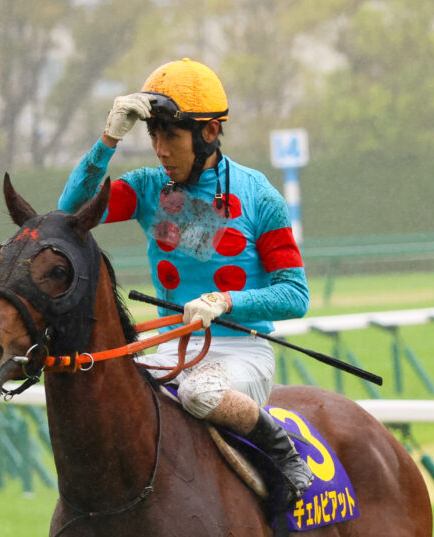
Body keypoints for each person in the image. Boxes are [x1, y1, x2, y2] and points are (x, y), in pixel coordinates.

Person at [58, 58, 314, 508]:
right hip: (170, 350)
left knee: (200, 391)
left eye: (169, 136)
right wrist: (109, 139)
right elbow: (69, 214)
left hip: (241, 353)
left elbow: (295, 295)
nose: (158, 149)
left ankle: (282, 452)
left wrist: (225, 301)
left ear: (209, 133)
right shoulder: (148, 188)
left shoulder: (261, 197)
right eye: (152, 135)